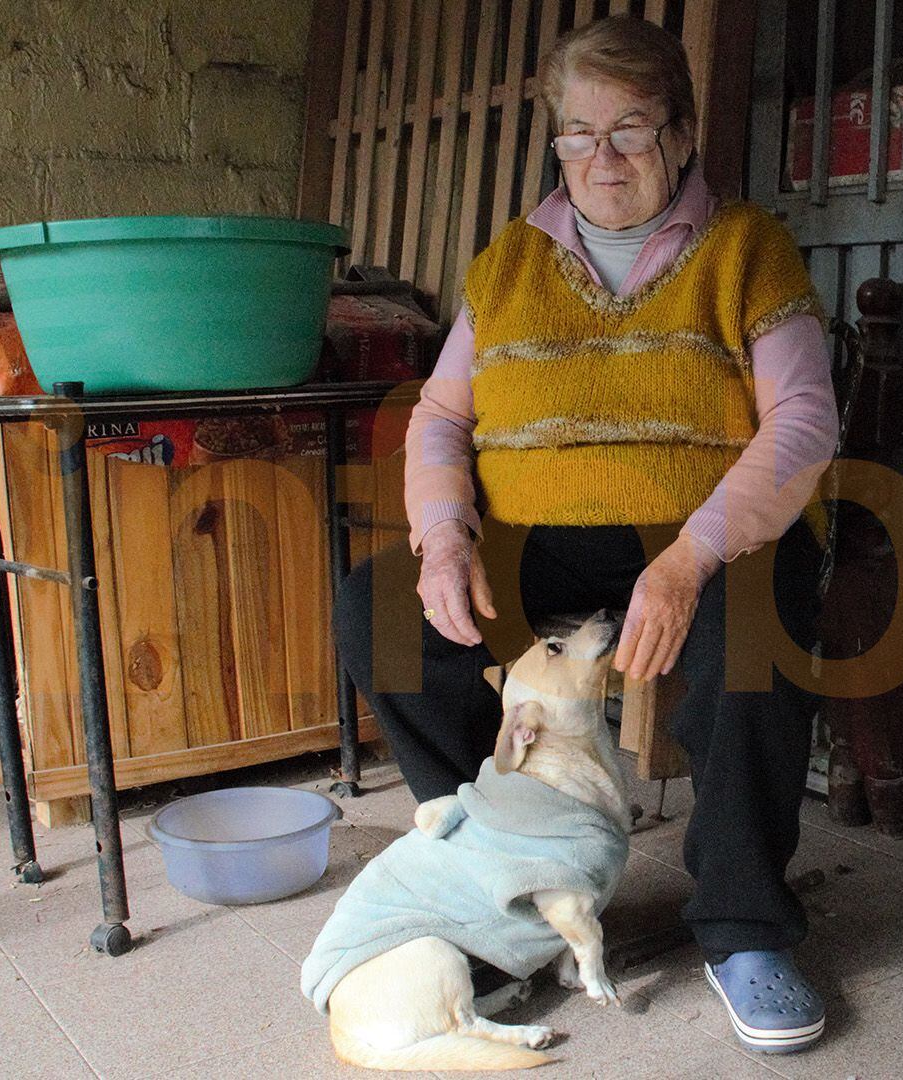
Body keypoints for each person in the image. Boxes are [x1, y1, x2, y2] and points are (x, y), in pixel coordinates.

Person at [333, 13, 839, 1055]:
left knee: (757, 635)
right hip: (540, 537)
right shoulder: (507, 264)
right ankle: (497, 872)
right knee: (381, 611)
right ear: (555, 139)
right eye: (577, 133)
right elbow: (440, 418)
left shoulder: (747, 247)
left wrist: (691, 558)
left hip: (704, 530)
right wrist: (443, 538)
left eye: (631, 129)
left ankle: (743, 927)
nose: (600, 158)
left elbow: (804, 421)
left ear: (682, 134)